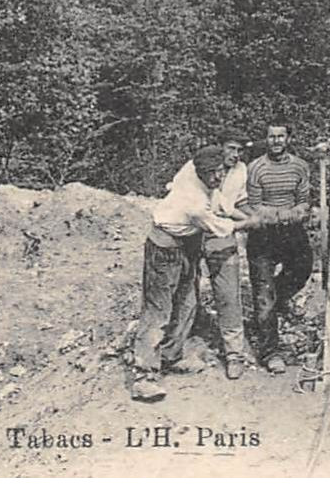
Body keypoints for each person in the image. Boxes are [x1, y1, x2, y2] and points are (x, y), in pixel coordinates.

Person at [132, 145, 237, 402]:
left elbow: (222, 204)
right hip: (164, 246)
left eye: (220, 171)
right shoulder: (194, 200)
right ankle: (143, 376)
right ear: (198, 171)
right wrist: (252, 221)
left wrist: (242, 212)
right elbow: (221, 226)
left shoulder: (193, 170)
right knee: (159, 311)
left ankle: (169, 356)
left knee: (188, 302)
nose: (216, 178)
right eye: (210, 174)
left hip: (188, 243)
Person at [243, 125, 313, 375]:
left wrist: (295, 214)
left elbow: (304, 202)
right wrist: (286, 214)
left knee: (304, 266)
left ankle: (278, 300)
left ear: (288, 139)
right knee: (263, 292)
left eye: (280, 136)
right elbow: (254, 207)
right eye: (271, 136)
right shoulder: (256, 168)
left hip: (291, 232)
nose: (276, 141)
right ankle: (270, 352)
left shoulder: (300, 166)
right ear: (266, 139)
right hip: (262, 234)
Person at [202, 137, 253, 380]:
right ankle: (180, 345)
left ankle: (234, 354)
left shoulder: (241, 170)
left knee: (228, 293)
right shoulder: (200, 166)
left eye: (240, 150)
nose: (236, 154)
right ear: (220, 147)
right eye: (231, 148)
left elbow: (239, 201)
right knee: (185, 290)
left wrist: (254, 217)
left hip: (223, 234)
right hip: (194, 230)